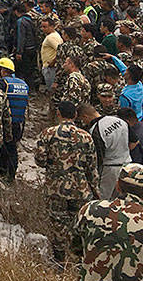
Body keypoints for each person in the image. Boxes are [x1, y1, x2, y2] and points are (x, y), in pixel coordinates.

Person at [34, 99, 98, 262]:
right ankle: (79, 260)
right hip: (80, 189)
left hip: (56, 189)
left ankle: (60, 260)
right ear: (75, 115)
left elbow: (39, 160)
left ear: (58, 114)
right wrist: (95, 190)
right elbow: (92, 167)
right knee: (80, 224)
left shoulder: (48, 133)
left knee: (58, 224)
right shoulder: (86, 136)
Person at [84, 102, 131, 199]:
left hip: (110, 169)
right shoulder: (119, 120)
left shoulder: (96, 129)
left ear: (85, 117)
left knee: (104, 200)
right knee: (125, 199)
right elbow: (134, 141)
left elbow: (98, 157)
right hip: (128, 164)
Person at [0, 56, 29, 183]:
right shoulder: (23, 84)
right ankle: (11, 175)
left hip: (6, 122)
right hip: (19, 122)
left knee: (3, 148)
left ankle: (2, 172)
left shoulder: (2, 83)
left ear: (3, 70)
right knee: (13, 148)